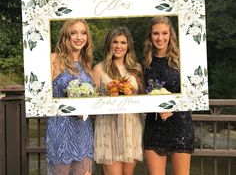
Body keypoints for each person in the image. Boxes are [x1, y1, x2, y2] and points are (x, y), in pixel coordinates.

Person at [143, 16, 194, 175]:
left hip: (180, 124)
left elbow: (194, 94)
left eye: (164, 33)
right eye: (156, 33)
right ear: (150, 36)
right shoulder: (145, 63)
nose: (160, 38)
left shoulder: (184, 60)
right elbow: (140, 94)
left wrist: (174, 108)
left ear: (171, 34)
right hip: (155, 126)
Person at [45, 19, 94, 175]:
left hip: (83, 130)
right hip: (60, 129)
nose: (79, 37)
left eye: (83, 32)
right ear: (66, 36)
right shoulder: (53, 59)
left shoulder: (86, 63)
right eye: (73, 33)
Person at [93, 26, 143, 175]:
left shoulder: (137, 69)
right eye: (115, 42)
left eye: (123, 42)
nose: (119, 46)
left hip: (132, 126)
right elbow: (92, 101)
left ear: (128, 46)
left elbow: (143, 96)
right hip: (108, 125)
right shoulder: (99, 69)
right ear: (109, 44)